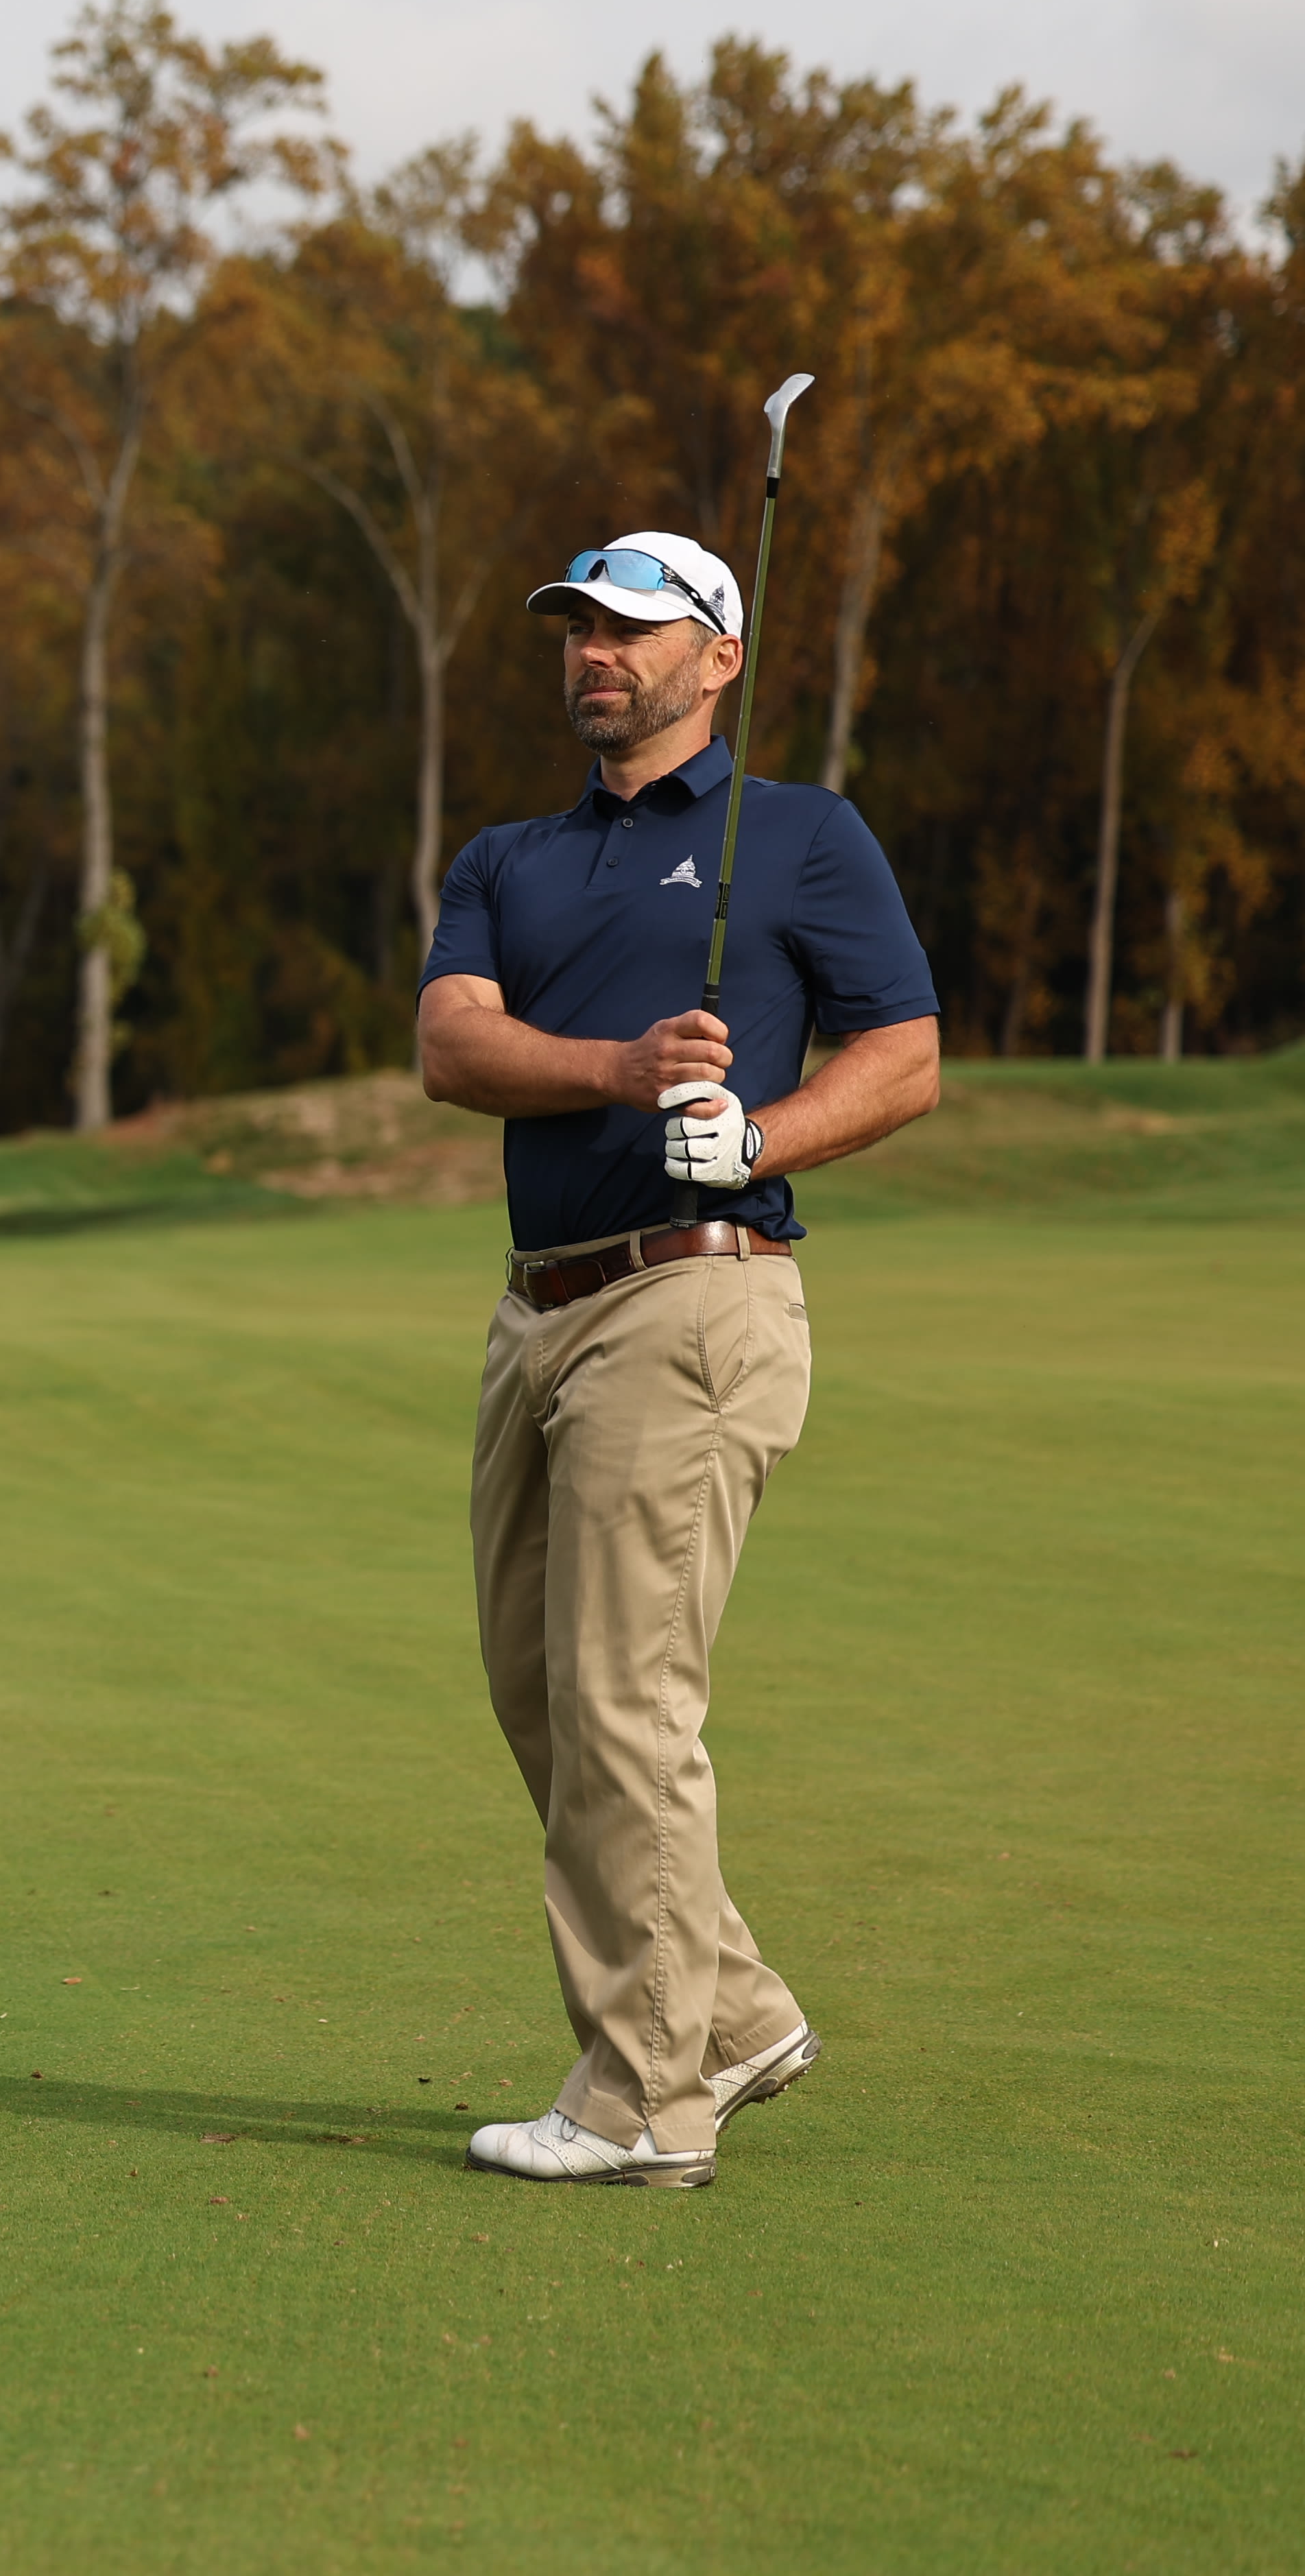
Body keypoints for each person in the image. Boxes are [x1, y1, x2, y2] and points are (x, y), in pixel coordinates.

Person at [416, 529, 943, 2189]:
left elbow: (908, 1054)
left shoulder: (795, 833)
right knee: (538, 1688)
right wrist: (623, 1070)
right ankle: (730, 2011)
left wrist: (759, 1131)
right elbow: (453, 1041)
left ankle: (646, 2096)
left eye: (631, 628)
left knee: (623, 1697)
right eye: (576, 628)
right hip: (540, 1306)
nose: (594, 653)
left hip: (695, 1295)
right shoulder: (508, 855)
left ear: (716, 653)